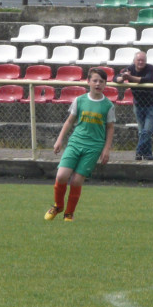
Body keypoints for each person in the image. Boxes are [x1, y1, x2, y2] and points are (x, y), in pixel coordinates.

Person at [45, 67, 115, 222]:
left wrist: (106, 149)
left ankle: (69, 213)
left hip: (93, 146)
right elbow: (70, 121)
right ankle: (58, 206)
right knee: (62, 175)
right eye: (95, 80)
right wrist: (59, 139)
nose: (98, 84)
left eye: (101, 81)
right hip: (76, 142)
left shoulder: (108, 105)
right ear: (88, 81)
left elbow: (110, 128)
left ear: (105, 85)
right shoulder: (79, 100)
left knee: (76, 180)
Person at [117, 50, 153, 161]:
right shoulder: (129, 68)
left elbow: (146, 79)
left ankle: (138, 152)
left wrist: (128, 78)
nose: (141, 62)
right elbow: (116, 78)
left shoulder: (149, 68)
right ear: (134, 61)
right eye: (138, 60)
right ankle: (148, 156)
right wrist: (122, 77)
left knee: (147, 131)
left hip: (152, 105)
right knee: (141, 132)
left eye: (143, 60)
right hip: (138, 104)